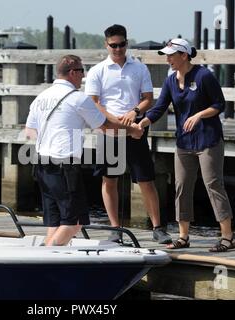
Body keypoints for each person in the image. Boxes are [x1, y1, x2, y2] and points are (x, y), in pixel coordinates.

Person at [25, 54, 143, 246]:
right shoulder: (78, 98)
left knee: (56, 221)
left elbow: (30, 131)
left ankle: (45, 257)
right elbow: (106, 128)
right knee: (75, 222)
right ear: (73, 72)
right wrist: (133, 131)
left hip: (41, 163)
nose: (83, 76)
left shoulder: (41, 97)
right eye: (82, 71)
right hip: (64, 165)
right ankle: (49, 258)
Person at [138, 38, 235, 252]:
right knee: (182, 186)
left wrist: (199, 115)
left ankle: (227, 237)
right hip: (184, 142)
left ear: (184, 55)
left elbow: (219, 104)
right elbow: (159, 107)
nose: (168, 59)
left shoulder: (204, 76)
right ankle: (183, 237)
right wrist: (143, 122)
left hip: (208, 139)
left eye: (171, 55)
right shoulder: (170, 81)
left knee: (213, 185)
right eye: (166, 55)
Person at [85, 24, 172, 244]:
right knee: (109, 180)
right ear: (106, 44)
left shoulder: (139, 68)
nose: (118, 49)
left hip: (136, 129)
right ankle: (115, 228)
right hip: (109, 131)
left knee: (146, 180)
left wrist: (133, 113)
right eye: (113, 45)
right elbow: (94, 104)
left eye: (121, 44)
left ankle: (158, 228)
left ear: (127, 43)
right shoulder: (98, 71)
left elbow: (147, 98)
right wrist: (116, 121)